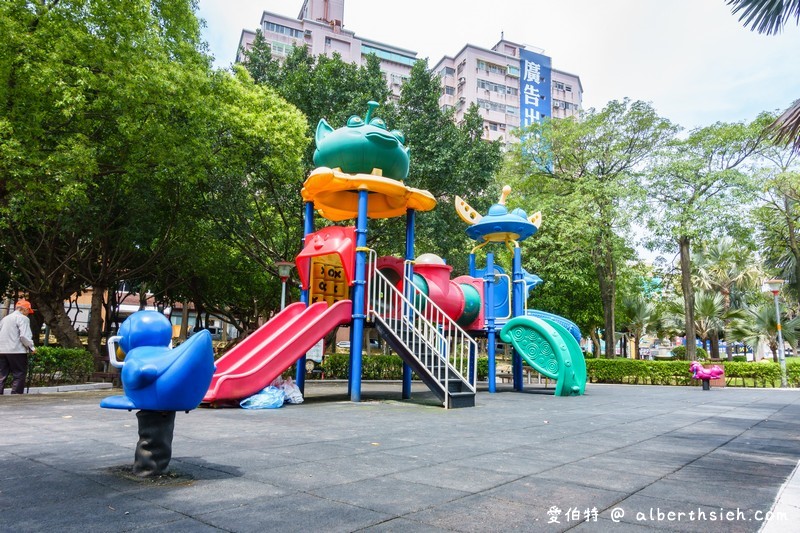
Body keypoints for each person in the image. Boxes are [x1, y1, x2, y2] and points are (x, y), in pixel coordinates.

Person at [0, 299, 37, 394]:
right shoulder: (23, 318)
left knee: (1, 374)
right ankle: (16, 396)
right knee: (19, 374)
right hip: (17, 350)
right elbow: (24, 336)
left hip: (2, 350)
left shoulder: (5, 318)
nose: (28, 313)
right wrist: (31, 347)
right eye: (28, 311)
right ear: (24, 309)